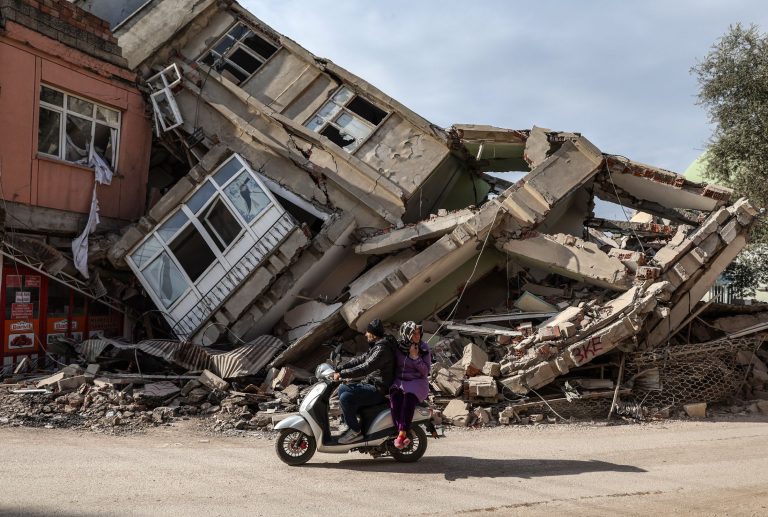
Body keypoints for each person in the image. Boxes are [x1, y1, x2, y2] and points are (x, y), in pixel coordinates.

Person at [332, 319, 397, 444]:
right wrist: (341, 367)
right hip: (372, 384)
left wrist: (342, 374)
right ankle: (351, 423)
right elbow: (361, 359)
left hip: (379, 389)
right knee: (343, 388)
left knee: (346, 397)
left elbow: (366, 367)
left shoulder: (382, 350)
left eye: (368, 332)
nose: (366, 334)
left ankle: (355, 431)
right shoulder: (377, 346)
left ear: (373, 334)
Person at [389, 321, 431, 449]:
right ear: (406, 334)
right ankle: (402, 435)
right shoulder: (398, 348)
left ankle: (401, 434)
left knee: (408, 399)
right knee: (395, 399)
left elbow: (426, 371)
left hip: (417, 382)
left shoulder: (423, 348)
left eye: (418, 333)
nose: (417, 336)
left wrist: (415, 357)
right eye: (414, 333)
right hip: (400, 382)